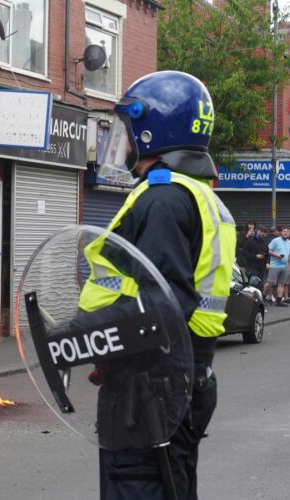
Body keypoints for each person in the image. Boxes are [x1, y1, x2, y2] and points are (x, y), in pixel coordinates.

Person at [92, 71, 235, 500]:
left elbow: (160, 304)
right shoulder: (197, 194)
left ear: (154, 129)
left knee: (139, 488)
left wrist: (80, 336)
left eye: (130, 128)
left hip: (148, 389)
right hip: (180, 380)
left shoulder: (163, 198)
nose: (126, 141)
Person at [266, 227, 290, 306]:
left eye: (287, 232)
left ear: (289, 234)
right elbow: (269, 251)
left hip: (285, 266)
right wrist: (277, 255)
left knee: (281, 284)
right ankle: (265, 295)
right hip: (275, 265)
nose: (286, 233)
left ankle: (278, 301)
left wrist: (289, 265)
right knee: (270, 283)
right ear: (281, 232)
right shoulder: (275, 240)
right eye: (284, 231)